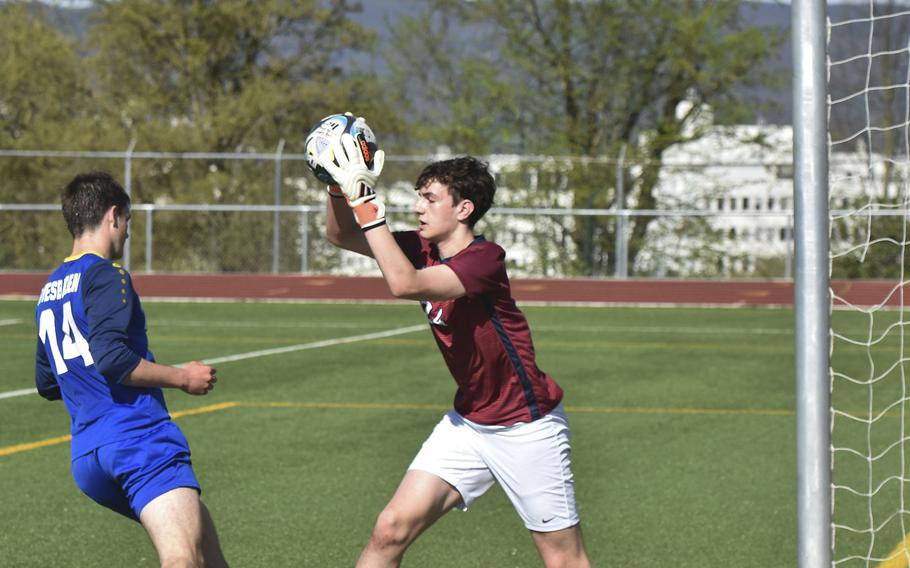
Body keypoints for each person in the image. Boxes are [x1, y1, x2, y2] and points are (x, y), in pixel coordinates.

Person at [318, 128, 593, 568]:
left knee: (564, 559)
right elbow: (341, 235)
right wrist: (337, 186)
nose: (418, 206)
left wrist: (367, 201)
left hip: (525, 427)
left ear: (464, 209)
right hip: (468, 424)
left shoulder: (484, 260)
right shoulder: (421, 248)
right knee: (389, 530)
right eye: (418, 196)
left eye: (430, 198)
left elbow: (403, 284)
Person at [34, 171, 229, 568]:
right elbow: (113, 360)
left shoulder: (51, 286)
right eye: (127, 222)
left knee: (207, 553)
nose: (126, 233)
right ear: (113, 216)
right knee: (182, 559)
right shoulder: (106, 274)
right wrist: (183, 377)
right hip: (137, 440)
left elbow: (47, 381)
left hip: (88, 457)